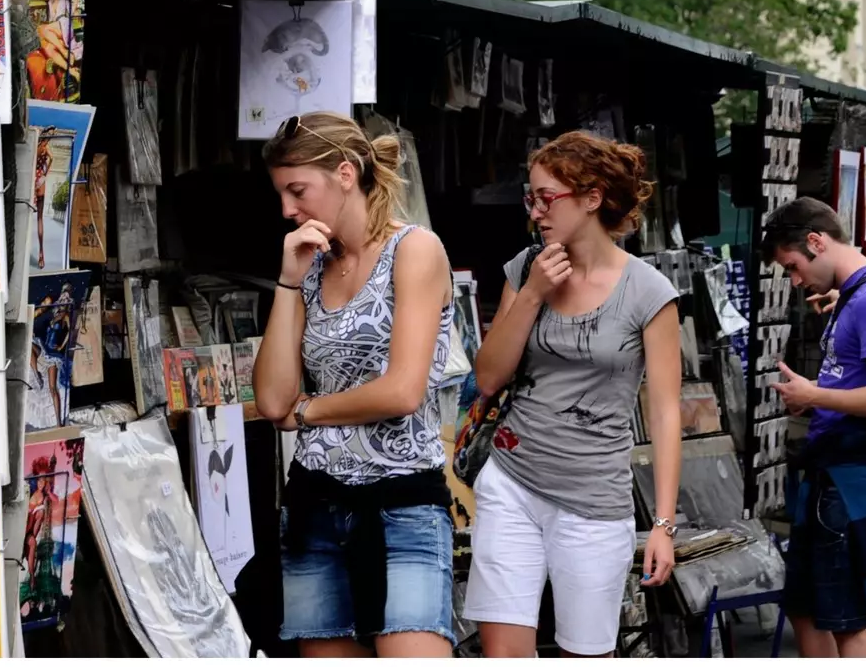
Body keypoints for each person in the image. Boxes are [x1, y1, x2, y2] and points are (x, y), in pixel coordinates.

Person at [463, 133, 682, 658]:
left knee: (586, 653)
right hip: (512, 480)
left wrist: (663, 524)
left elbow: (666, 411)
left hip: (593, 500)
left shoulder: (648, 291)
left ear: (592, 198)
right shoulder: (528, 267)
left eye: (547, 197)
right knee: (502, 652)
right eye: (530, 197)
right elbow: (488, 377)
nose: (536, 211)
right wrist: (534, 291)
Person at [252, 111, 458, 657]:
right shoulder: (312, 266)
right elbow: (271, 399)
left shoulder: (414, 250)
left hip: (402, 502)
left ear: (346, 174)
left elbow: (402, 391)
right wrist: (289, 281)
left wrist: (309, 411)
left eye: (298, 190)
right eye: (281, 194)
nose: (288, 210)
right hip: (316, 503)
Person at [763, 197, 866, 658]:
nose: (794, 280)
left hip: (852, 480)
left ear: (816, 241)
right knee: (807, 608)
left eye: (792, 266)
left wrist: (815, 395)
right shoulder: (857, 296)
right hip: (832, 473)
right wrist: (818, 395)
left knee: (847, 621)